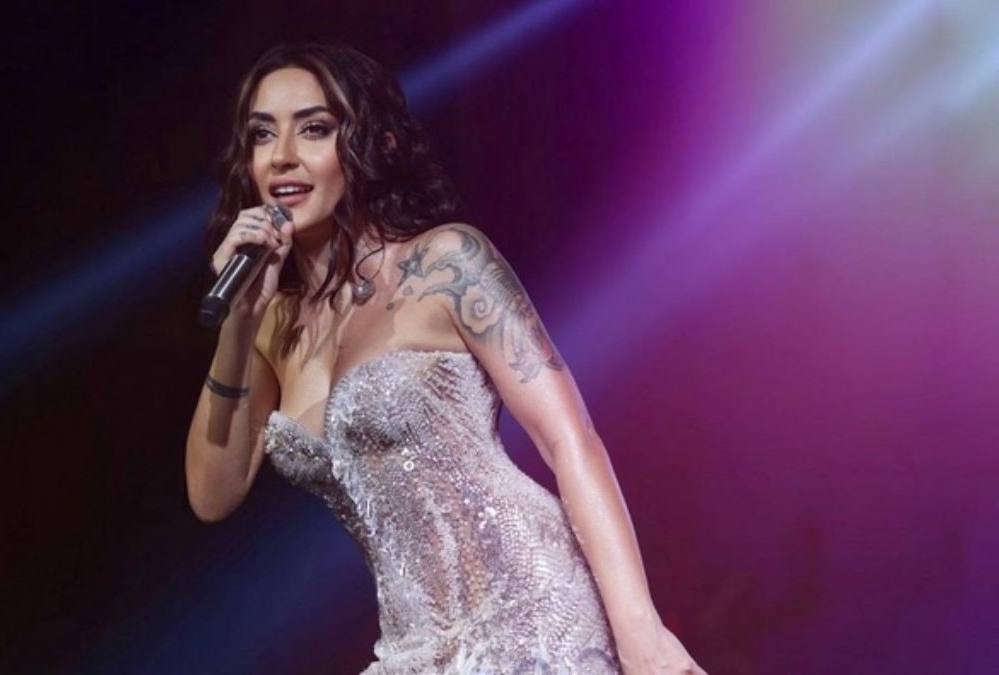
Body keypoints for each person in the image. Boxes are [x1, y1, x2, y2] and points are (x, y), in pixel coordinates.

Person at [186, 43, 704, 674]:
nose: (282, 156)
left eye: (314, 129)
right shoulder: (269, 323)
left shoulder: (446, 263)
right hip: (413, 650)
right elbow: (212, 496)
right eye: (262, 134)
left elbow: (569, 441)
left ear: (371, 145)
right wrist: (239, 323)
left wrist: (641, 632)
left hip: (534, 615)